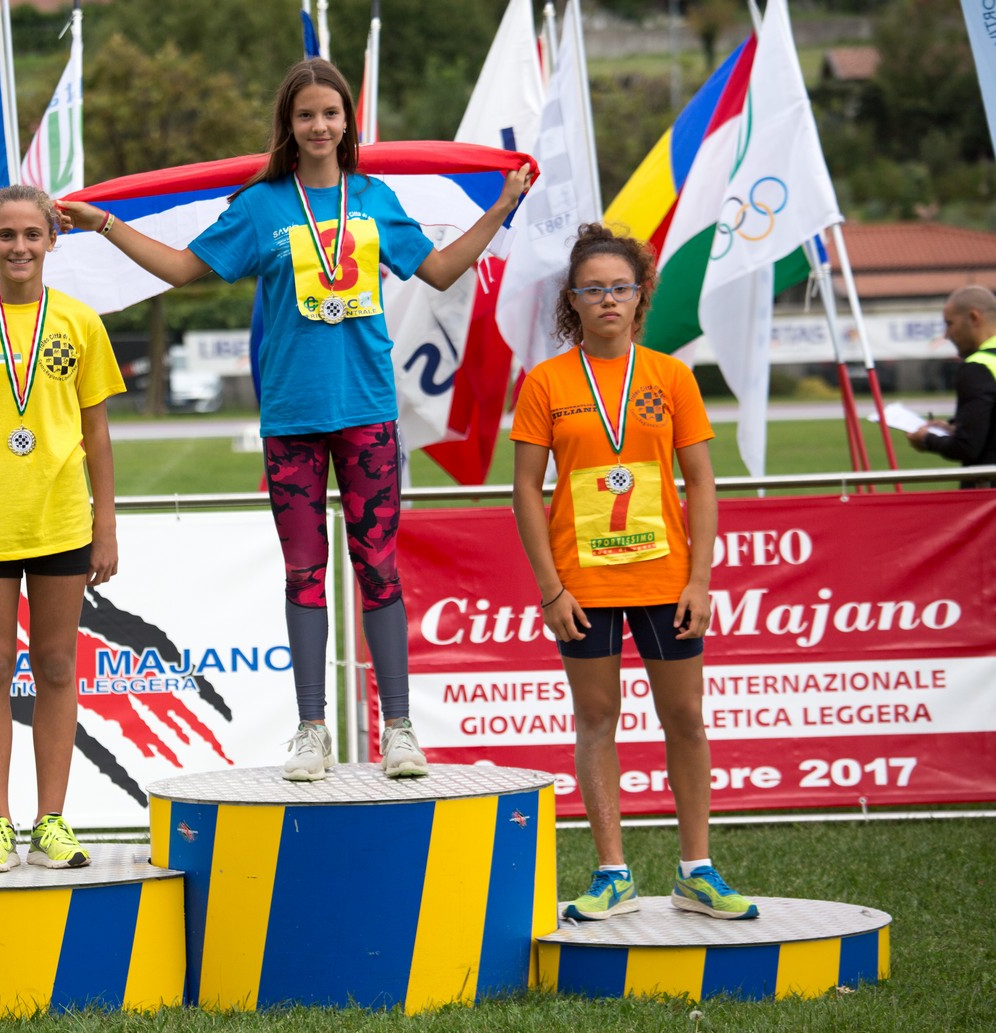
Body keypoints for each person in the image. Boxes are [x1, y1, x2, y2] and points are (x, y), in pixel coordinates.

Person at [58, 57, 531, 782]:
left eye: (330, 113)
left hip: (367, 411)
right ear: (289, 123)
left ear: (347, 123)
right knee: (304, 572)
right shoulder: (261, 206)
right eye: (306, 114)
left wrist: (499, 211)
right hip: (292, 417)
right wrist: (107, 223)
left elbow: (438, 271)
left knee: (379, 568)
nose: (319, 126)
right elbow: (182, 269)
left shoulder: (373, 198)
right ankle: (312, 730)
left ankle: (399, 729)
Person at [510, 223, 758, 921]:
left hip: (665, 580)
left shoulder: (671, 376)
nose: (608, 300)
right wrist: (551, 588)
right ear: (572, 299)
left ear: (641, 295)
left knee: (685, 718)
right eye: (593, 290)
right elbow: (525, 488)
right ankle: (612, 873)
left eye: (620, 287)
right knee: (596, 720)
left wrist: (699, 580)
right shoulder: (545, 382)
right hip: (582, 585)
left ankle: (696, 870)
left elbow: (701, 481)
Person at [0, 184, 126, 873]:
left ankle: (52, 821)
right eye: (5, 235)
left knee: (59, 667)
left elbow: (97, 432)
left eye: (31, 235)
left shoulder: (79, 322)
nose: (18, 247)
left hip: (61, 519)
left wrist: (105, 523)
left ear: (52, 241)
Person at [909, 285, 996, 487]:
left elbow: (966, 447)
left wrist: (926, 439)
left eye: (950, 324)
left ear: (974, 318)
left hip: (988, 493)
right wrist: (954, 429)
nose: (946, 335)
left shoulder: (978, 367)